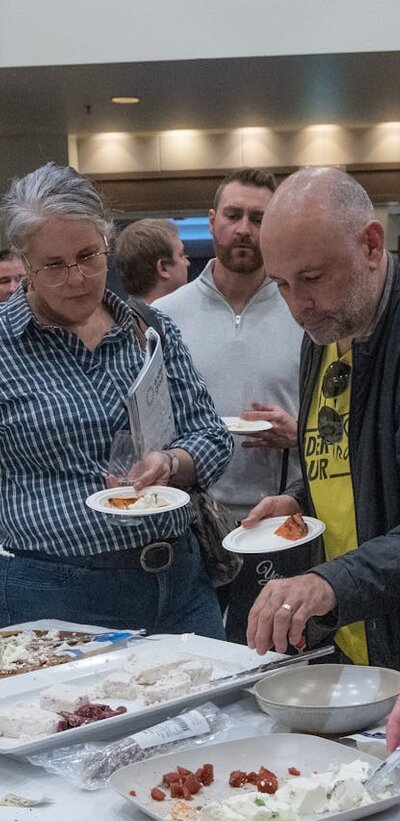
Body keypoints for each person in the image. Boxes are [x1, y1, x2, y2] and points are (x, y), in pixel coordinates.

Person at [0, 162, 233, 637]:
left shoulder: (148, 328)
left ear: (107, 242)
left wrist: (170, 463)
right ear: (24, 260)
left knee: (213, 712)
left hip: (181, 583)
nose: (78, 277)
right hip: (55, 596)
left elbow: (212, 435)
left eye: (89, 256)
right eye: (55, 265)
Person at [245, 166, 400, 670]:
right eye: (282, 285)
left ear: (371, 246)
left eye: (311, 279)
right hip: (358, 646)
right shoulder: (330, 326)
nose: (298, 306)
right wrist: (298, 497)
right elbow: (353, 458)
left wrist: (331, 582)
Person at [155, 168, 304, 641]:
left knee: (272, 660)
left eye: (259, 218)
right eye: (234, 215)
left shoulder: (306, 309)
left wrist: (298, 432)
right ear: (213, 220)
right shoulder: (167, 315)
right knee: (195, 665)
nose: (244, 228)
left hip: (284, 521)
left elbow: (343, 416)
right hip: (189, 529)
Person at [115, 218, 190, 303]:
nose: (187, 263)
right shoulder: (184, 314)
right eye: (181, 255)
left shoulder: (117, 315)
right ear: (163, 268)